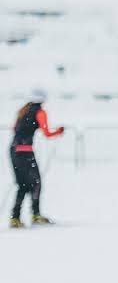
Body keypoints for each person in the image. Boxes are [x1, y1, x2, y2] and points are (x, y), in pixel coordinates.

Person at [11, 88, 64, 228]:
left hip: (15, 150)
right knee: (36, 183)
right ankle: (36, 214)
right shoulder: (40, 113)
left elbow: (14, 129)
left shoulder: (22, 111)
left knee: (22, 185)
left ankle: (14, 217)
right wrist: (59, 131)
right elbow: (47, 133)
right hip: (26, 152)